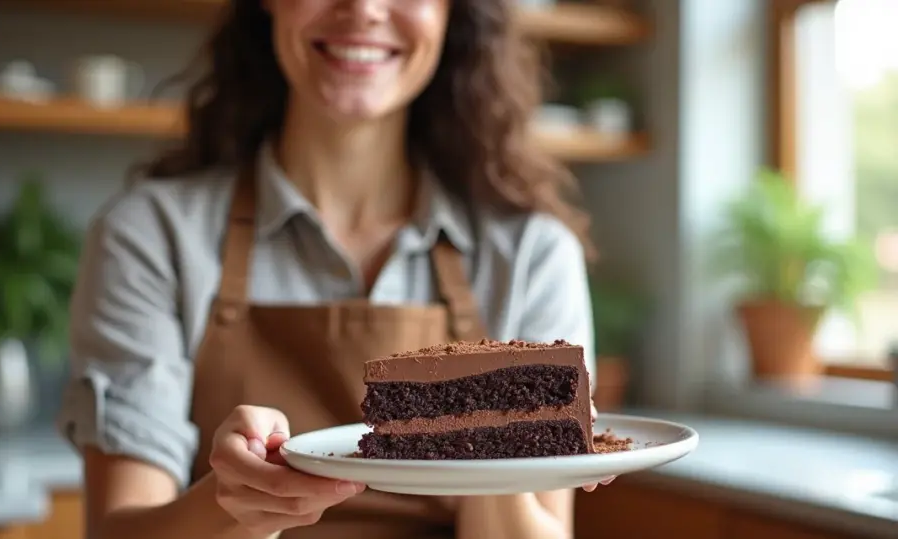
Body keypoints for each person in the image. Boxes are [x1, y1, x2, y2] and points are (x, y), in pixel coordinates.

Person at [55, 1, 613, 538]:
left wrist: (494, 445)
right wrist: (237, 508)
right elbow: (118, 531)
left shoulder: (531, 255)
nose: (364, 8)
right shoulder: (151, 236)